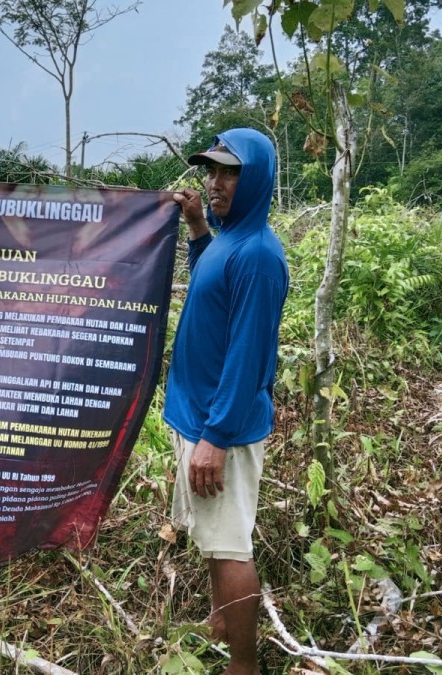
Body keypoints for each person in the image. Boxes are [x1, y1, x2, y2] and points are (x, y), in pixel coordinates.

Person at [166, 128, 289, 675]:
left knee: (230, 545)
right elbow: (210, 285)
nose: (215, 183)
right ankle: (220, 621)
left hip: (223, 428)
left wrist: (215, 438)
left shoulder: (259, 255)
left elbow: (247, 355)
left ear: (256, 178)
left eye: (230, 172)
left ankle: (245, 665)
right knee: (214, 541)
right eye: (211, 171)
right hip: (200, 415)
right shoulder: (230, 240)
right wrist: (196, 227)